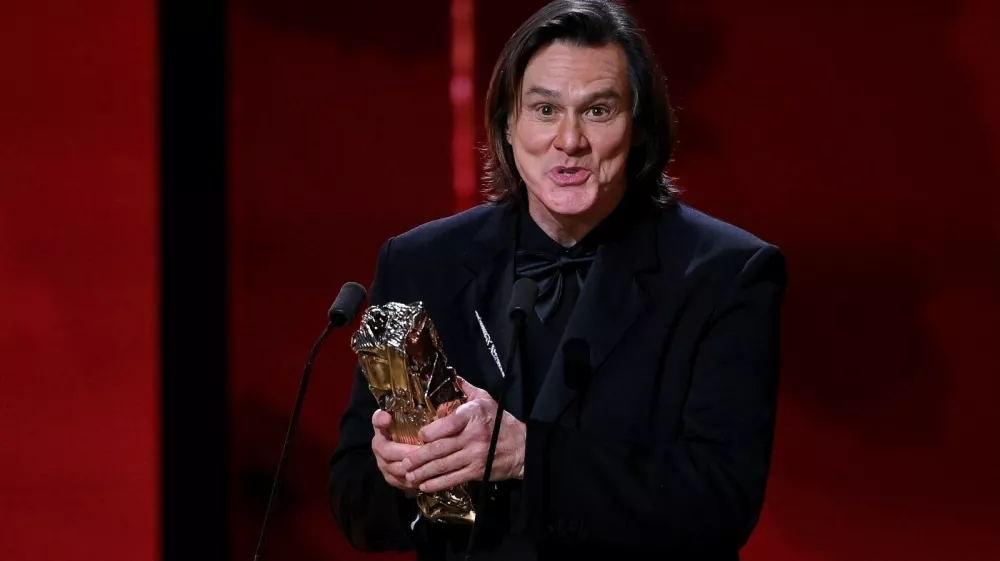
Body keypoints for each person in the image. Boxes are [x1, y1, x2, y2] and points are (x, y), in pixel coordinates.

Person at [328, 1, 787, 559]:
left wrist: (527, 455)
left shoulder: (724, 274)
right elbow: (355, 505)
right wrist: (403, 475)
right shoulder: (422, 262)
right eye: (544, 110)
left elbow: (721, 501)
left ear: (638, 128)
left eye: (598, 111)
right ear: (507, 125)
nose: (569, 140)